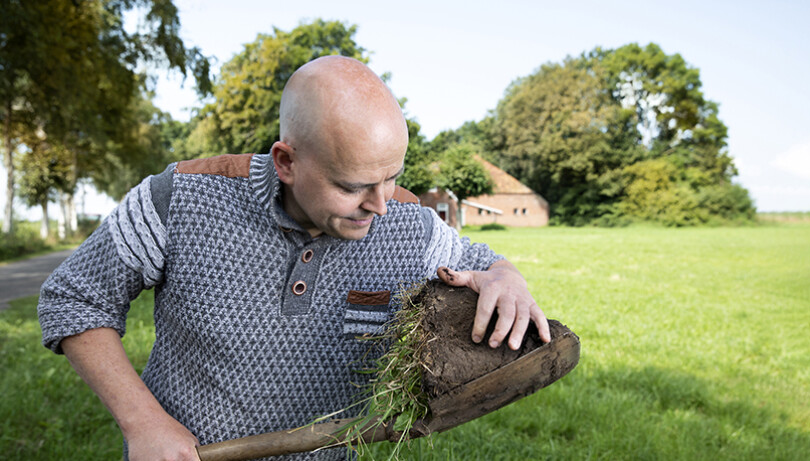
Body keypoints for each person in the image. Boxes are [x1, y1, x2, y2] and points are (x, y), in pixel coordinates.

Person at [38, 56, 551, 461]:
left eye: (392, 175)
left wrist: (506, 276)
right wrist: (143, 423)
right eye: (353, 186)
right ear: (286, 161)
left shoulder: (411, 227)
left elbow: (480, 259)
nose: (380, 203)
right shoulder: (181, 199)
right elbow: (73, 299)